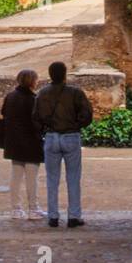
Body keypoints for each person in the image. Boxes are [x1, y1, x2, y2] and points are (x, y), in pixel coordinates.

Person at [33, 61, 93, 228]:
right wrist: (76, 125)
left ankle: (53, 216)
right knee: (73, 178)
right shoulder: (75, 93)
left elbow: (36, 117)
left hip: (51, 137)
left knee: (52, 179)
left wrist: (45, 129)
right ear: (65, 74)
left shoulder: (42, 94)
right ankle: (74, 216)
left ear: (50, 74)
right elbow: (87, 115)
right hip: (71, 136)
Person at [0, 69, 47, 221]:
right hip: (31, 142)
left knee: (16, 177)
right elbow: (38, 121)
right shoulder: (33, 99)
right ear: (32, 81)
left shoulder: (10, 96)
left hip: (14, 141)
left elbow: (4, 113)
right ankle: (33, 209)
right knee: (32, 178)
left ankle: (16, 209)